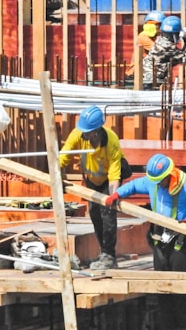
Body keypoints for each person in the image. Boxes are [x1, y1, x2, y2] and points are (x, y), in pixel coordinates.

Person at [105, 153, 186, 330]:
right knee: (162, 289)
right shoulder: (151, 181)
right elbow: (133, 186)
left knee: (181, 291)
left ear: (169, 175)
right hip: (159, 239)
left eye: (160, 181)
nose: (157, 184)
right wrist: (117, 194)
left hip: (180, 239)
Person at [59, 105, 129, 270]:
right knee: (94, 214)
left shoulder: (111, 142)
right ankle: (102, 252)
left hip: (108, 181)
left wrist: (113, 197)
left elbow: (114, 174)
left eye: (87, 131)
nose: (83, 134)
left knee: (108, 215)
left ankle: (109, 256)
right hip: (92, 179)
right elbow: (63, 157)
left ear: (96, 131)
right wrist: (57, 177)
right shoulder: (78, 134)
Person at [142, 15, 186, 89]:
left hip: (148, 75)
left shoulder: (161, 40)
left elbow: (177, 51)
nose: (178, 35)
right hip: (151, 79)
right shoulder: (168, 47)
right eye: (177, 33)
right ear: (174, 34)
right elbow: (185, 58)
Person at [126, 10, 165, 81]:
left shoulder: (154, 37)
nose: (162, 28)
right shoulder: (143, 36)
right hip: (136, 75)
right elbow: (161, 51)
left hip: (146, 74)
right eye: (160, 25)